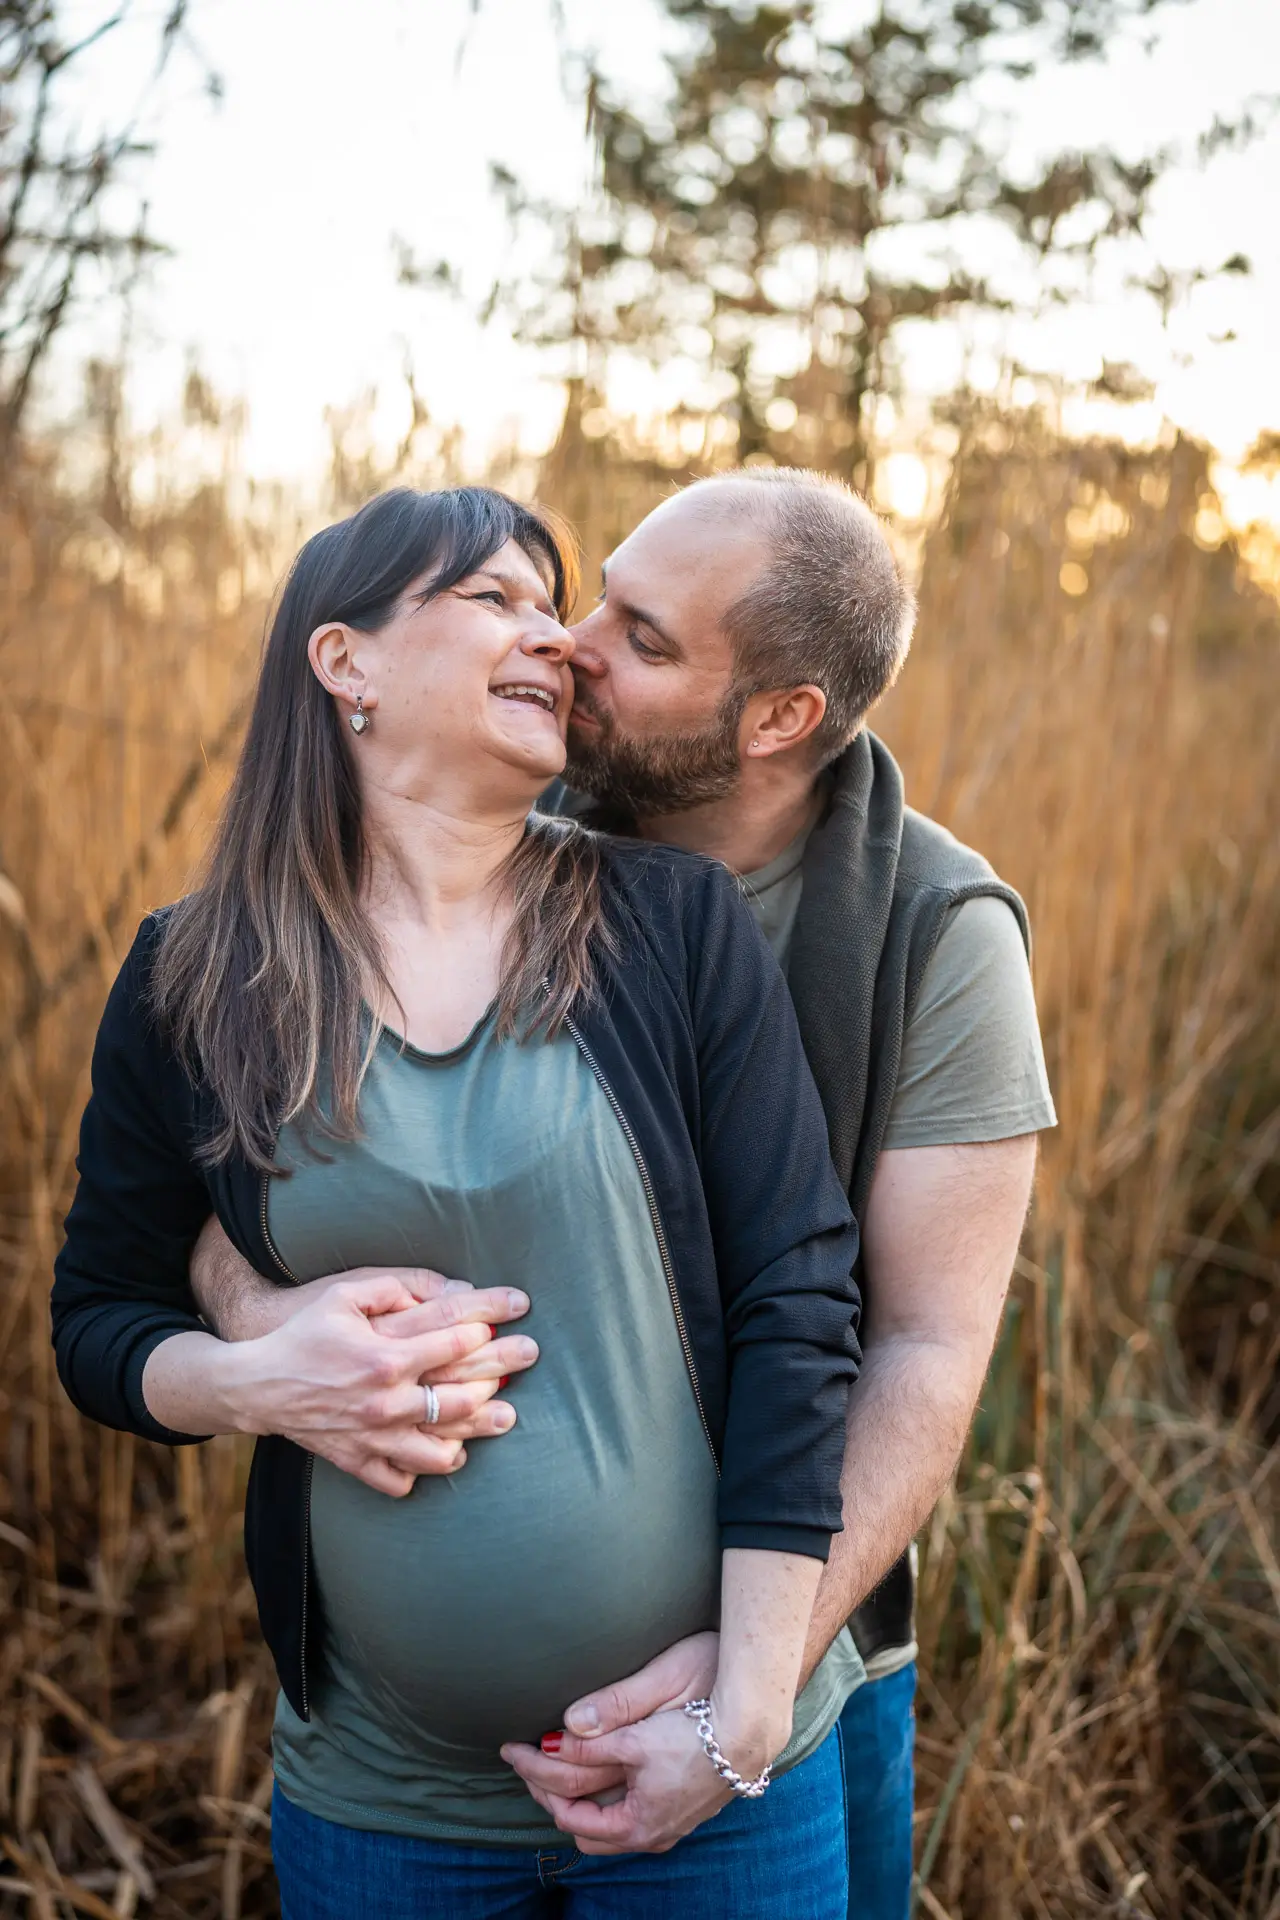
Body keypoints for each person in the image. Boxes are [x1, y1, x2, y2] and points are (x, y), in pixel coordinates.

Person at [185, 467, 1057, 1913]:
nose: (575, 643)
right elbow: (231, 1173)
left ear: (778, 719)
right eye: (594, 594)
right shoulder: (488, 812)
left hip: (798, 1657)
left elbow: (920, 1349)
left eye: (644, 640)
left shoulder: (935, 936)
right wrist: (269, 1317)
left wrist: (745, 1688)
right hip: (400, 1757)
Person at [51, 485, 870, 1919]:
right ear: (344, 662)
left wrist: (739, 1708)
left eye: (551, 605)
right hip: (385, 1807)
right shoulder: (194, 979)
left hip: (713, 1785)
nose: (551, 635)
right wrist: (258, 1380)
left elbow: (797, 1305)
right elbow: (99, 1321)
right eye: (494, 596)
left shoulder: (673, 925)